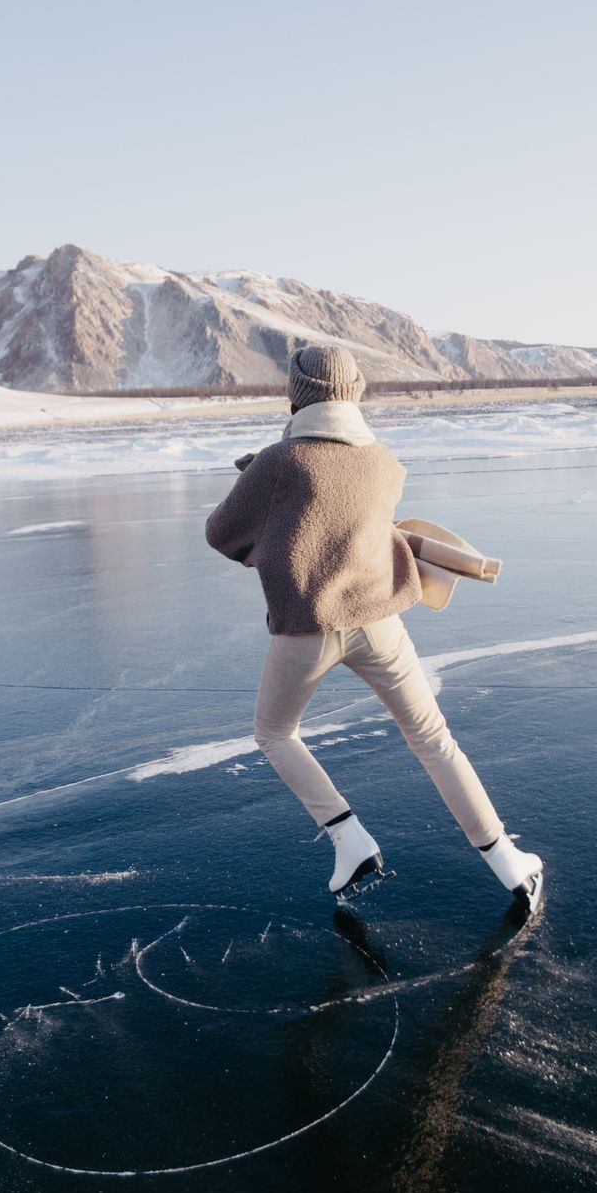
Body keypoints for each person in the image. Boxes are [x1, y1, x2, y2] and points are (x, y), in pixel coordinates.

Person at [205, 342, 543, 908]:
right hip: (380, 622)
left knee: (274, 735)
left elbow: (223, 533)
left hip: (307, 630)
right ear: (355, 391)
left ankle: (348, 836)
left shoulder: (277, 463)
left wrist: (263, 497)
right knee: (434, 740)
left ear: (296, 395)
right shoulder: (384, 461)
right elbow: (347, 512)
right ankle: (510, 863)